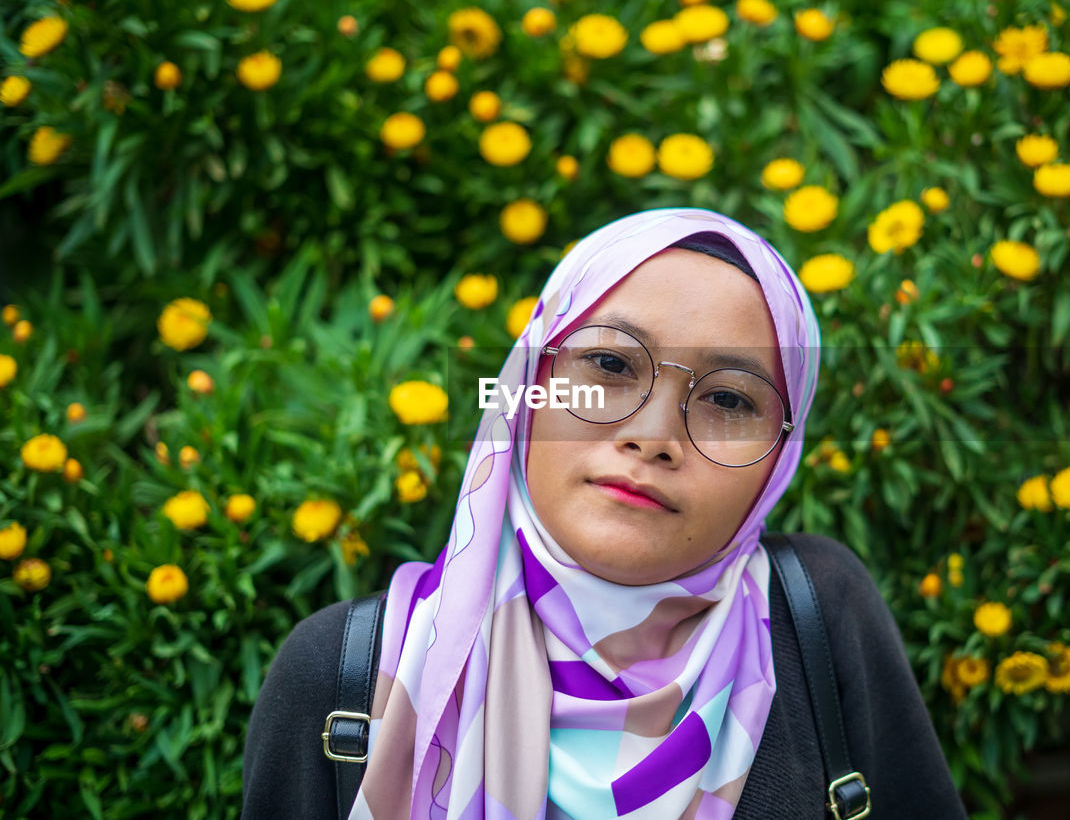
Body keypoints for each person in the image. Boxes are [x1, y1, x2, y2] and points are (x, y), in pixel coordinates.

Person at [242, 208, 968, 819]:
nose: (652, 437)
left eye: (728, 400)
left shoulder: (820, 616)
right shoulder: (345, 674)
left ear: (779, 458)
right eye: (612, 365)